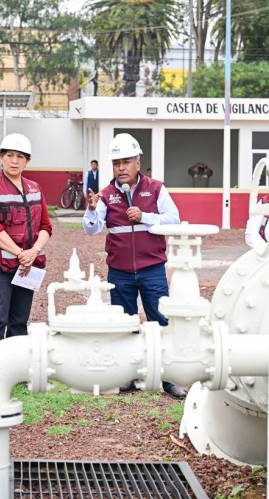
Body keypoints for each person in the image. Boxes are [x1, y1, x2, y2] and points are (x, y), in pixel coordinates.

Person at [82, 133, 186, 399]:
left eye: (126, 161)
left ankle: (168, 377)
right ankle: (127, 376)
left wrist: (146, 216)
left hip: (152, 269)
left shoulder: (156, 189)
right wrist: (93, 210)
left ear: (138, 163)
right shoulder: (105, 195)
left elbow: (174, 219)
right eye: (116, 163)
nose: (121, 168)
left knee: (160, 322)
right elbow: (91, 230)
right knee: (124, 324)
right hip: (120, 272)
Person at [0, 133, 52, 356]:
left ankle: (14, 367)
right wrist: (20, 253)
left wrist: (33, 252)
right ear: (1, 157)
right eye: (9, 155)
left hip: (29, 264)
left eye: (20, 156)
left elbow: (46, 226)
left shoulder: (35, 188)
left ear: (27, 161)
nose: (14, 161)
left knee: (19, 318)